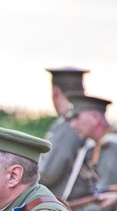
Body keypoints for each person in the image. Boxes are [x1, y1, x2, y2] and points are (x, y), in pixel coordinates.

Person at [39, 67, 95, 199]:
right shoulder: (83, 120)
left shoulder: (70, 124)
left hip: (78, 208)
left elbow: (48, 174)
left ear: (55, 91)